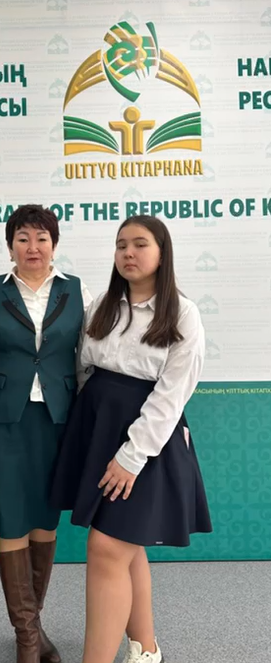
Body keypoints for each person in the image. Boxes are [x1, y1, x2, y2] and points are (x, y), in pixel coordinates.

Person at [51, 215, 212, 663]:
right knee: (126, 543)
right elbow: (84, 368)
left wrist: (131, 455)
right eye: (121, 244)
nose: (128, 253)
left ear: (162, 252)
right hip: (97, 430)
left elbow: (171, 395)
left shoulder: (183, 313)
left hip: (147, 441)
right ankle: (146, 649)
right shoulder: (102, 305)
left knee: (106, 547)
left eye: (140, 244)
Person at [0, 204, 92, 663]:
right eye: (22, 238)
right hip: (3, 421)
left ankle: (32, 627)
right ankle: (28, 640)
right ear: (10, 247)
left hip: (58, 420)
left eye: (42, 238)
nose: (33, 247)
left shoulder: (78, 292)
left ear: (54, 245)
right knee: (10, 520)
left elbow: (92, 354)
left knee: (45, 520)